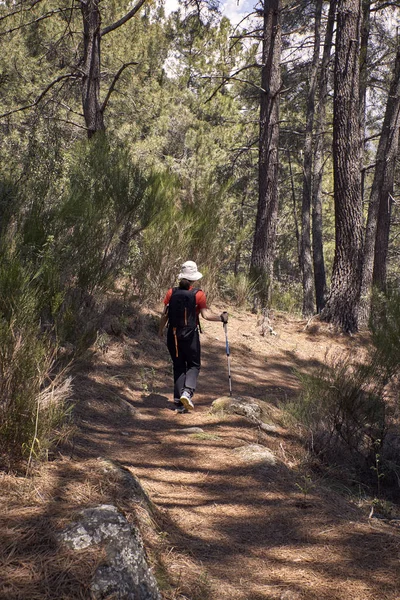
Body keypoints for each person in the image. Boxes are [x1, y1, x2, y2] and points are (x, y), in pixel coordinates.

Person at [159, 260, 228, 413]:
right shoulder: (198, 294)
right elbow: (206, 316)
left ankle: (178, 401)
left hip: (173, 334)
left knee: (178, 365)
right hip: (190, 335)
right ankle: (187, 391)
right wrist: (221, 318)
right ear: (194, 278)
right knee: (194, 365)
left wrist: (160, 331)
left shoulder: (171, 292)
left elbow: (164, 314)